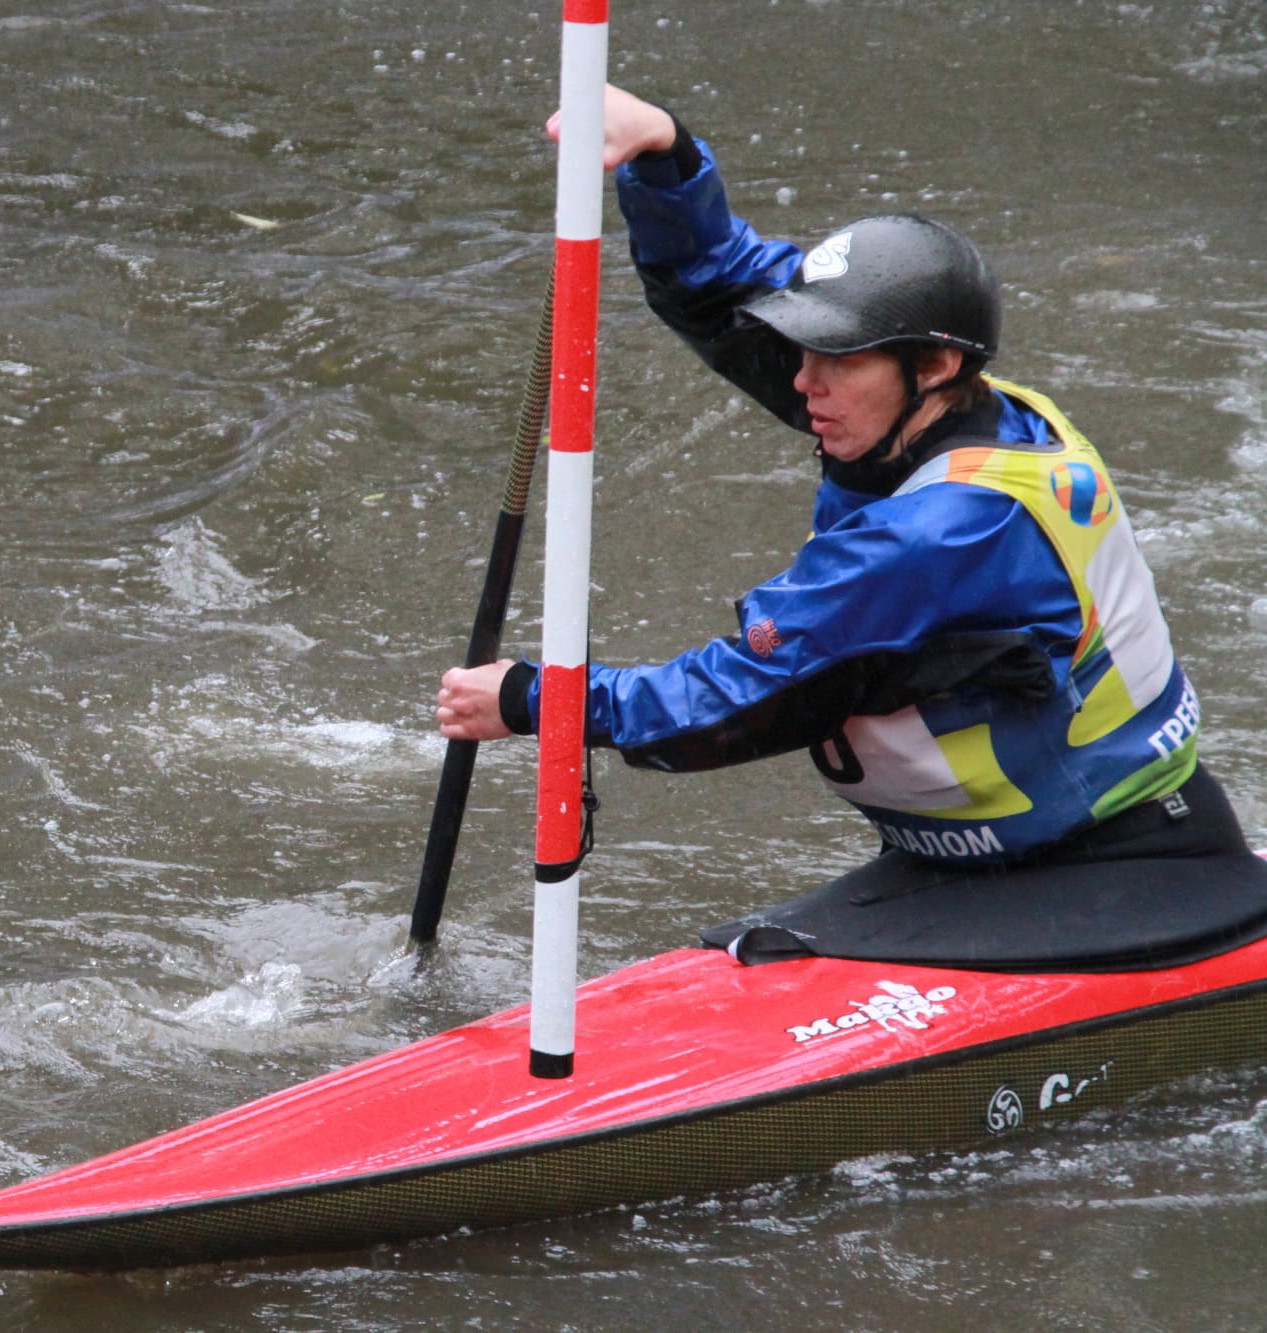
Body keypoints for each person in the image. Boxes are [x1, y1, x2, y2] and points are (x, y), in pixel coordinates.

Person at [435, 86, 1267, 970]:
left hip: (1106, 863)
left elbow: (734, 697)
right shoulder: (926, 401)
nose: (803, 382)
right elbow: (725, 291)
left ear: (934, 364)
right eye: (806, 350)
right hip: (985, 853)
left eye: (834, 358)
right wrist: (664, 156)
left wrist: (533, 700)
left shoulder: (942, 530)